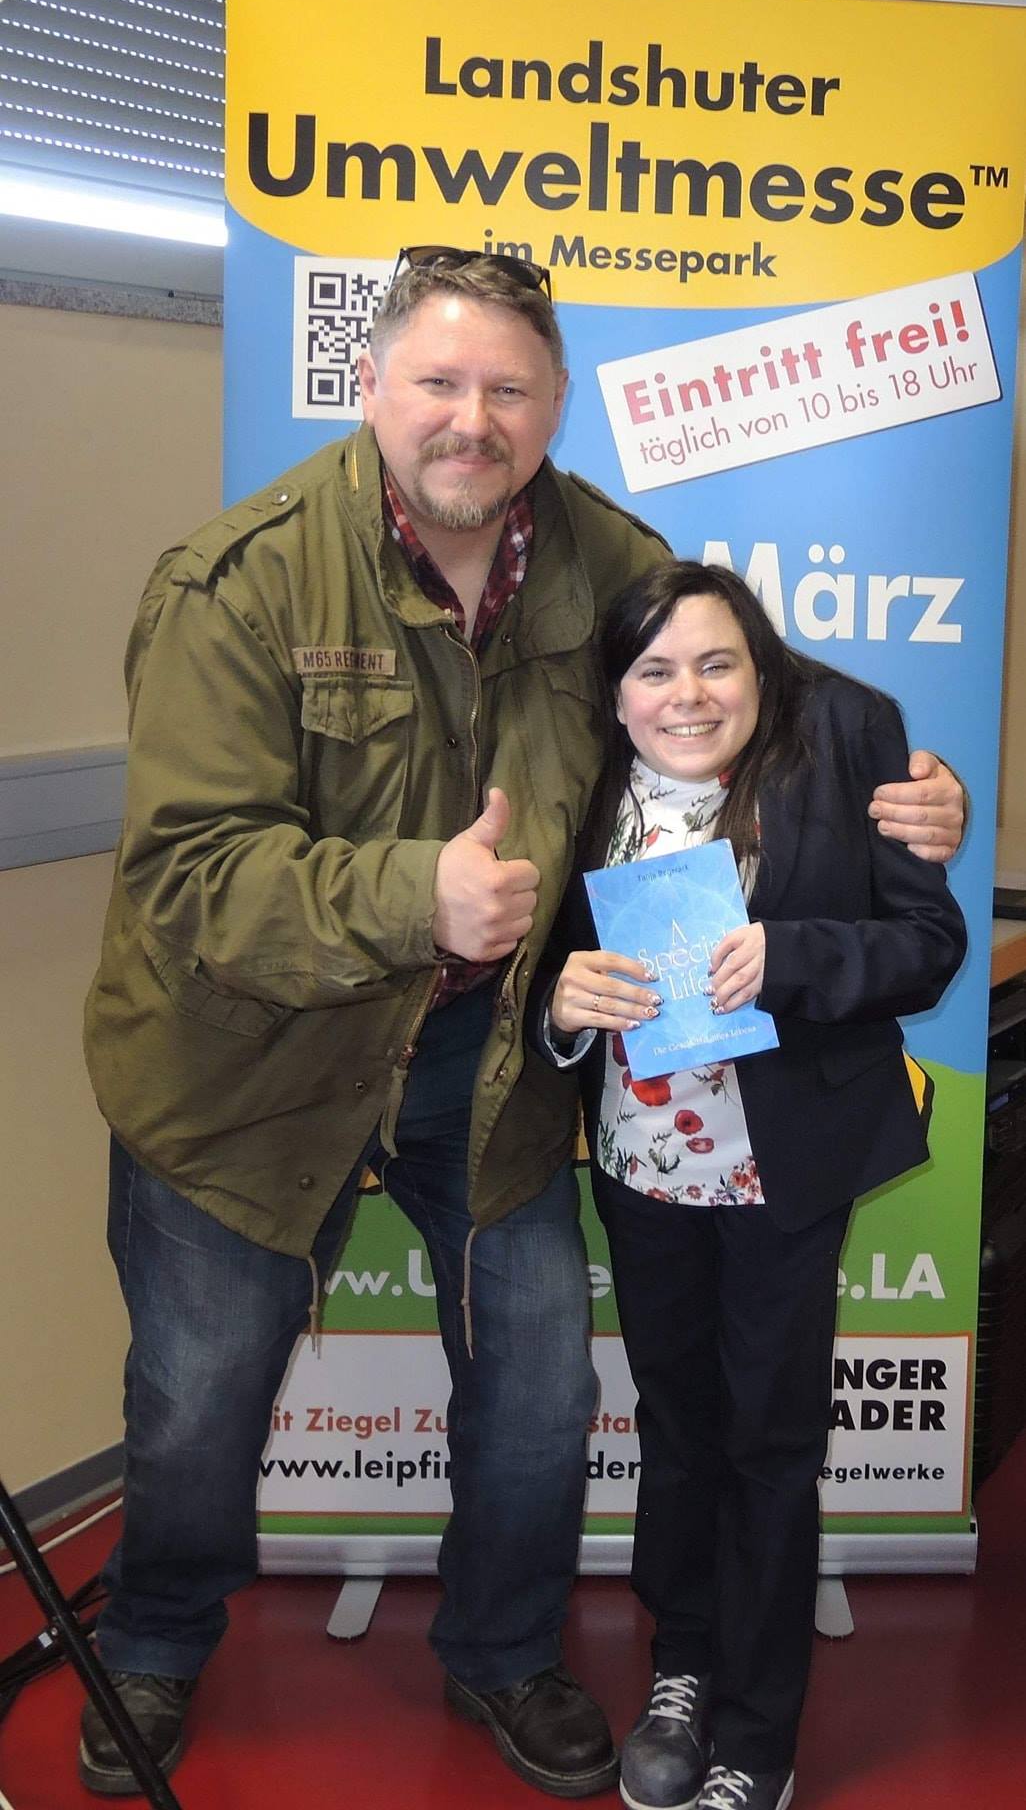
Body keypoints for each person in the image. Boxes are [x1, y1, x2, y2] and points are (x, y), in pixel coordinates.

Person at [79, 249, 965, 1799]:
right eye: (438, 381)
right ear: (370, 387)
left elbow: (729, 676)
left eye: (508, 389)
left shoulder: (606, 555)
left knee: (545, 1380)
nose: (471, 419)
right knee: (200, 1392)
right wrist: (412, 894)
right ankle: (154, 1640)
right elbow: (187, 874)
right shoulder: (239, 582)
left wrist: (898, 778)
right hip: (248, 1060)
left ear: (554, 406)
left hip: (490, 1057)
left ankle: (500, 1650)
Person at [532, 558, 967, 1810]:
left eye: (718, 662)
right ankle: (683, 1664)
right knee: (677, 1430)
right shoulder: (582, 770)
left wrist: (792, 955)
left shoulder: (846, 737)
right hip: (643, 1168)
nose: (688, 693)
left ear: (762, 667)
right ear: (617, 688)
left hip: (782, 1170)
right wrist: (562, 1003)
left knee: (770, 1443)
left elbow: (928, 944)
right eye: (655, 668)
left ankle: (758, 1730)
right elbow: (543, 960)